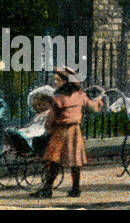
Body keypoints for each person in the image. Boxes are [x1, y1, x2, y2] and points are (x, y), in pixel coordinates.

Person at [32, 66, 103, 199]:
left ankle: (47, 189)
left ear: (65, 81)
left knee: (54, 161)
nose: (55, 82)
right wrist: (99, 100)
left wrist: (47, 131)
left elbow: (50, 119)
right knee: (75, 161)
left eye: (57, 80)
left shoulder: (57, 98)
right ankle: (75, 189)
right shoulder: (81, 95)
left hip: (60, 131)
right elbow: (93, 108)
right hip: (75, 132)